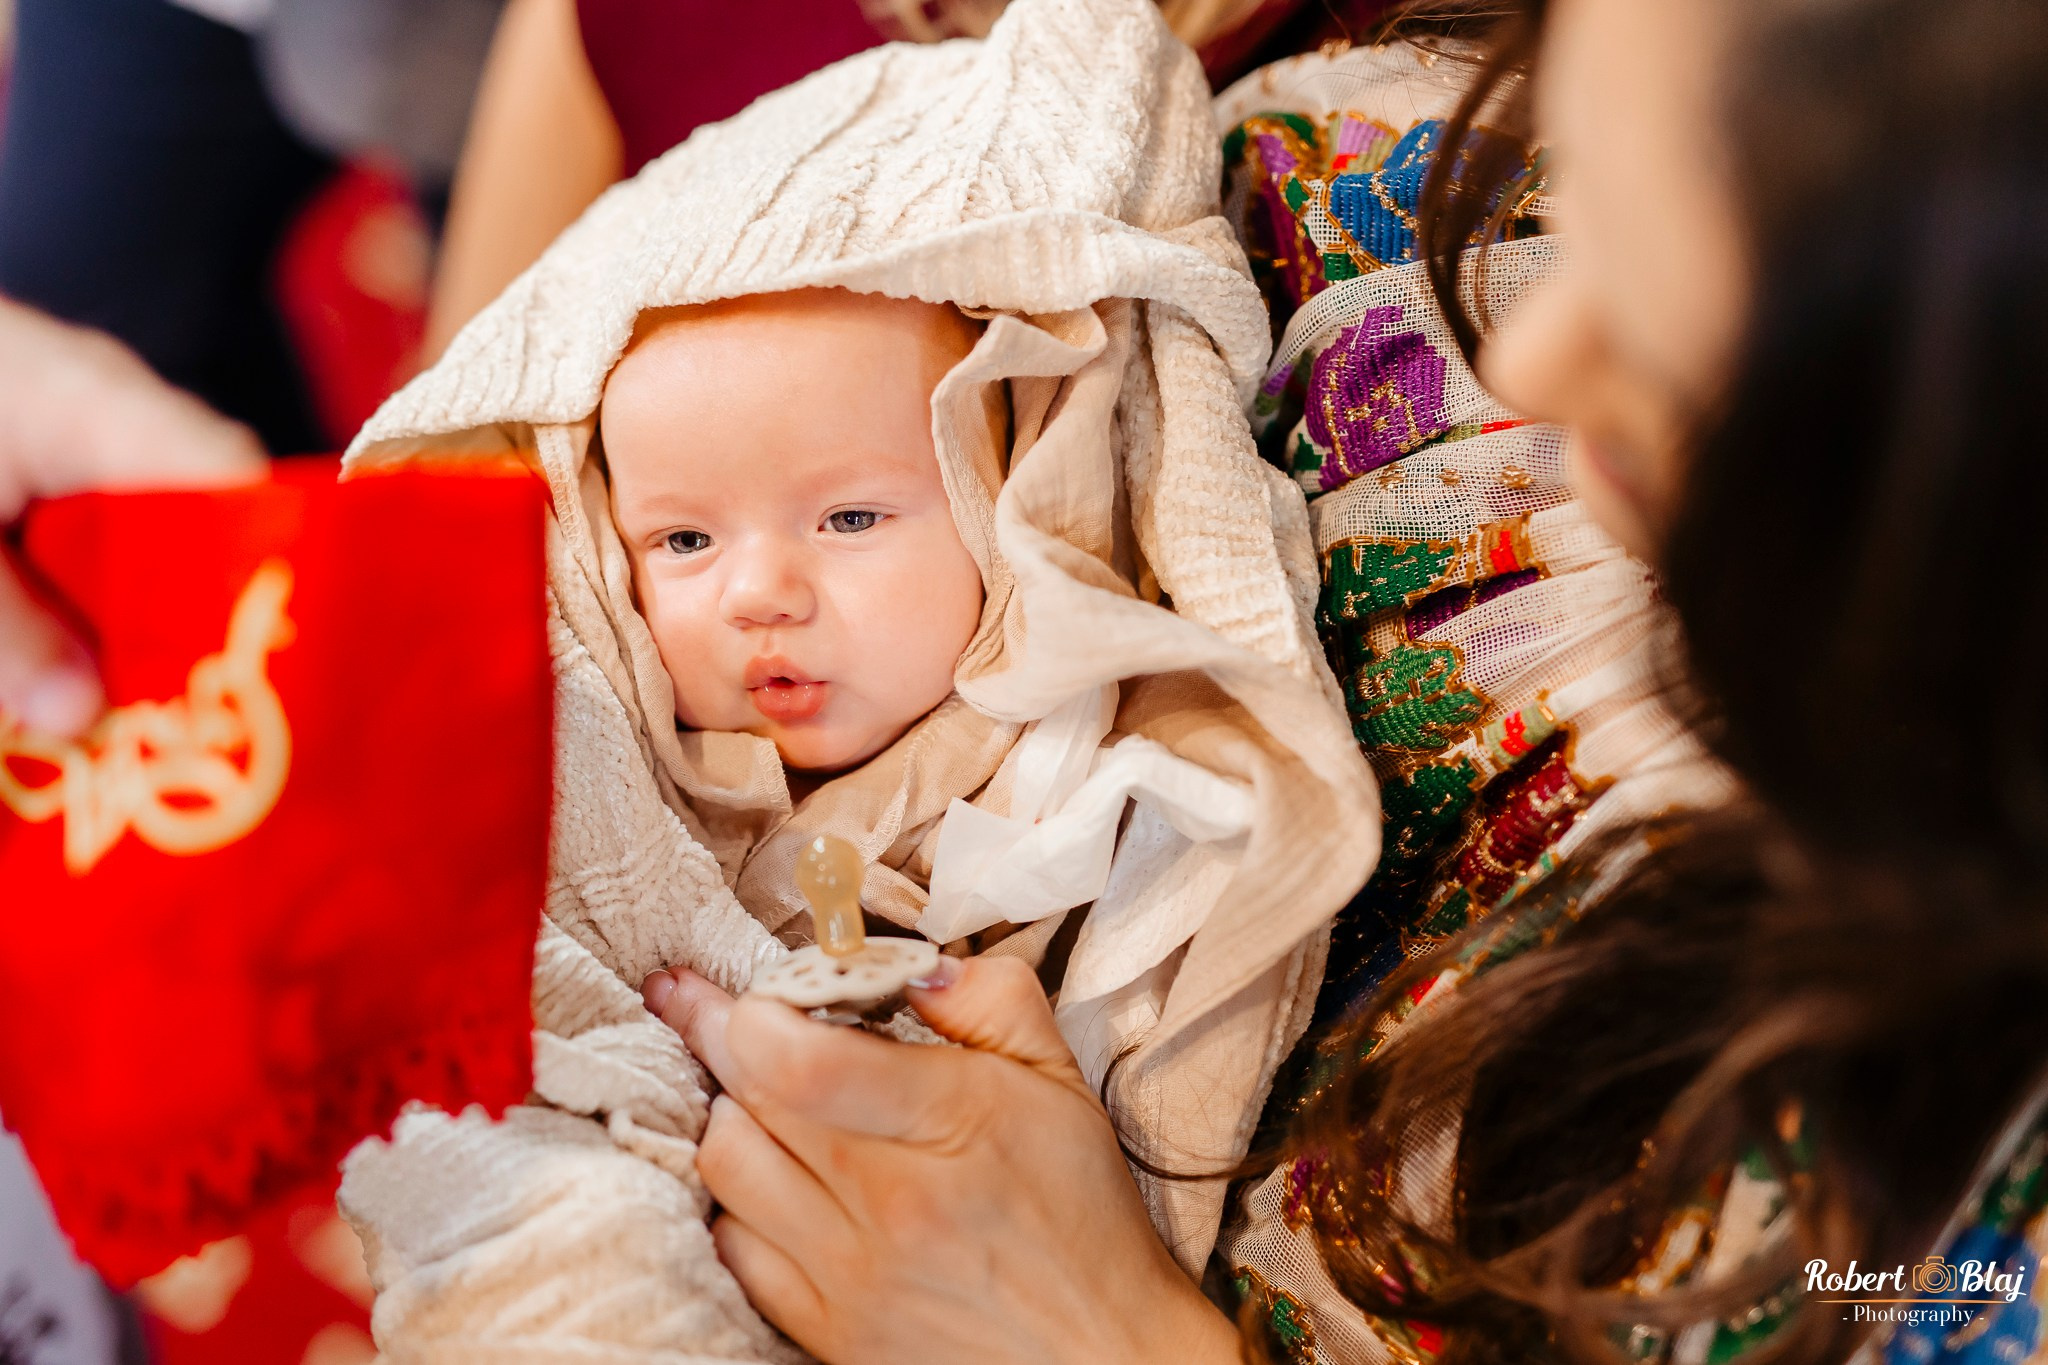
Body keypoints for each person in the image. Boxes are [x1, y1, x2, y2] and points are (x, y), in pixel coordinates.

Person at [636, 0, 2048, 1361]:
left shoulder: (1949, 1253)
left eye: (1668, 321)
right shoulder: (1394, 199)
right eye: (1578, 179)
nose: (1532, 356)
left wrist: (1105, 1339)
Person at [332, 0, 1375, 1355]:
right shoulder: (612, 769)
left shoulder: (1098, 750)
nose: (760, 591)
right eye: (683, 540)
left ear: (1011, 492)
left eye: (849, 518)